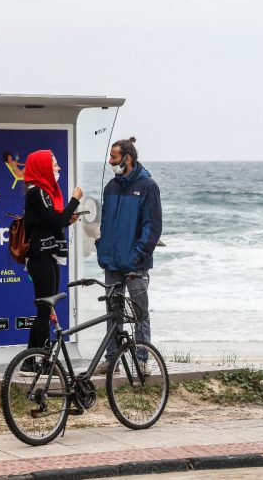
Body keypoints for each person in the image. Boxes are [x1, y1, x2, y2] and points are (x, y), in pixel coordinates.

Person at [94, 137, 162, 373]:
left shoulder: (148, 186)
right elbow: (105, 224)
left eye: (113, 157)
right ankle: (112, 360)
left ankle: (142, 360)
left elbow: (152, 227)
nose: (110, 161)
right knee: (113, 314)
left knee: (139, 313)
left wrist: (138, 256)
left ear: (127, 158)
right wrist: (102, 247)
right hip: (111, 263)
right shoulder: (110, 187)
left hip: (135, 264)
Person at [21, 150, 82, 373]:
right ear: (42, 167)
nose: (58, 168)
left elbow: (57, 222)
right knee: (45, 308)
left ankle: (29, 360)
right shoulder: (36, 192)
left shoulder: (45, 192)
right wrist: (74, 201)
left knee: (46, 308)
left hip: (50, 254)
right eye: (54, 164)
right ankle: (45, 361)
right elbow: (56, 219)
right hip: (41, 256)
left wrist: (70, 218)